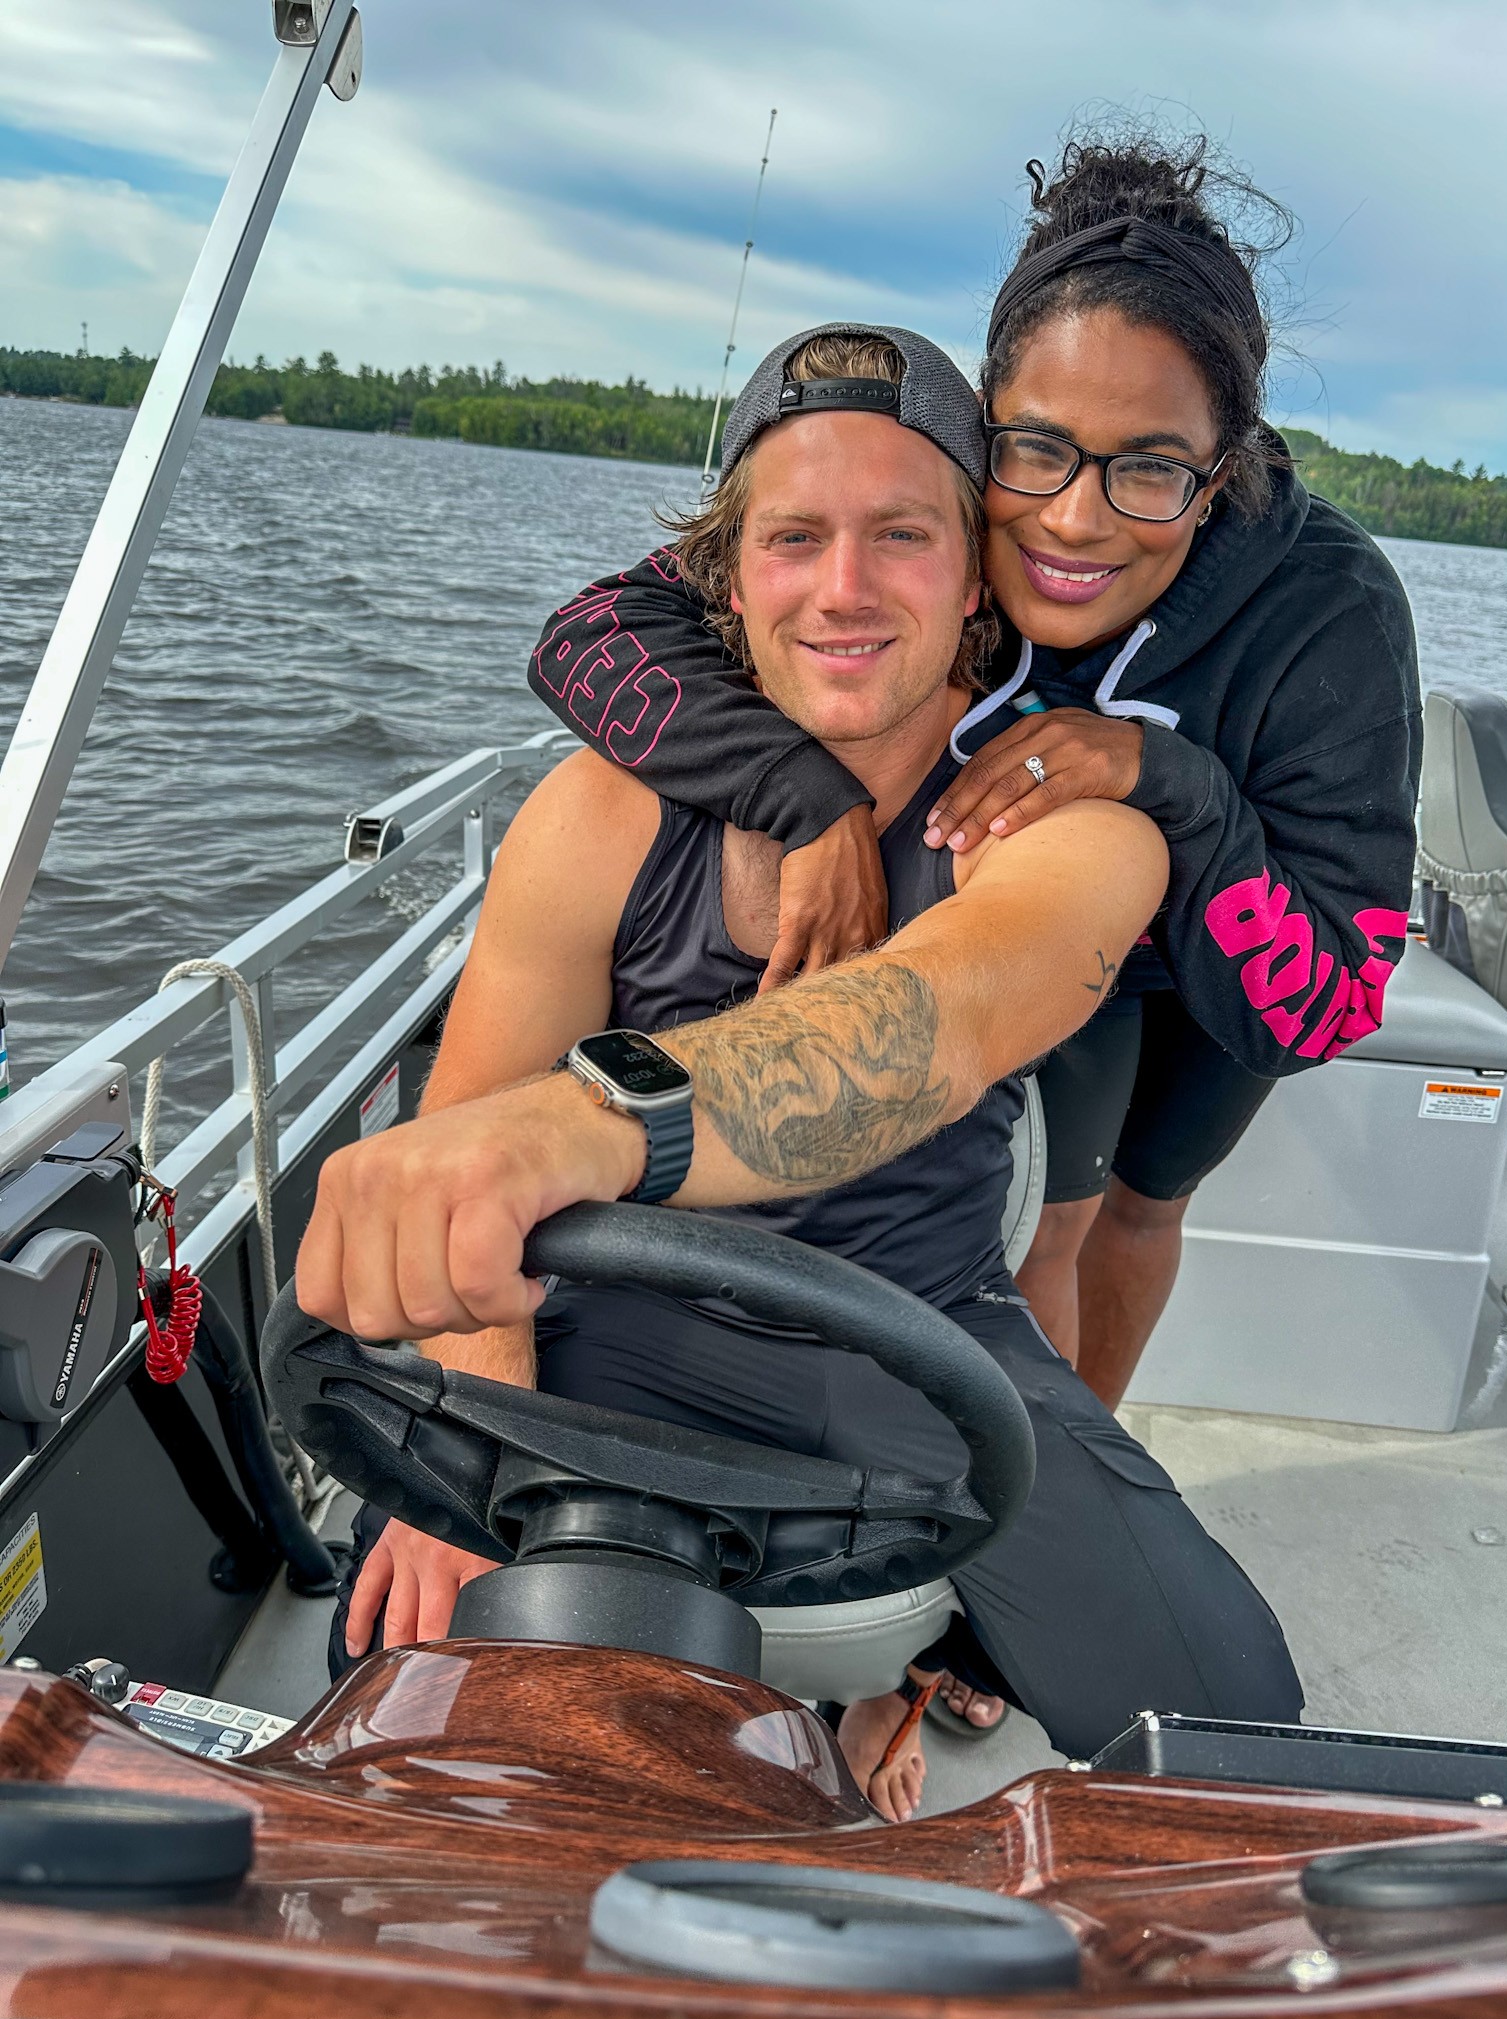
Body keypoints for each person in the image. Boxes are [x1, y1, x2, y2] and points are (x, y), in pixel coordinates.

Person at [300, 322, 1304, 1823]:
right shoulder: (598, 813)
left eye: (902, 534)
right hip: (606, 1333)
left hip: (922, 1346)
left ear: (975, 580)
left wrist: (581, 1127)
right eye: (795, 538)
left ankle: (907, 1690)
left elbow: (922, 1027)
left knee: (1245, 1737)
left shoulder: (1072, 829)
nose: (844, 588)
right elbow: (465, 1137)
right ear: (729, 579)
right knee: (420, 1731)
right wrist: (470, 1450)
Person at [520, 133, 1422, 1433]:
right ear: (984, 416)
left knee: (1143, 1202)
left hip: (1231, 934)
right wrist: (806, 798)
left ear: (1221, 474)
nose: (1073, 519)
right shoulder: (938, 497)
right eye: (1035, 449)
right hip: (1037, 914)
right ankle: (1020, 1464)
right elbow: (591, 634)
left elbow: (1324, 1005)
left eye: (1152, 468)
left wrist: (1165, 778)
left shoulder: (1331, 612)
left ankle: (1083, 1454)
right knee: (1051, 1211)